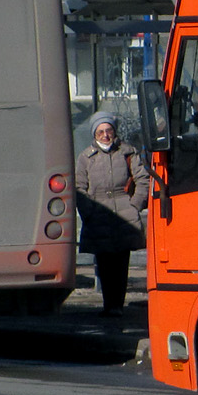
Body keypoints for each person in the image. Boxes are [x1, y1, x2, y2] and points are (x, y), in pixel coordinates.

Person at [74, 111, 149, 317]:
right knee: (105, 262)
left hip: (124, 214)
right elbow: (79, 188)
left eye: (108, 130)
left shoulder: (127, 152)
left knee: (121, 262)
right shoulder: (85, 158)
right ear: (94, 134)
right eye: (100, 132)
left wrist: (134, 204)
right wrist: (89, 212)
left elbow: (142, 179)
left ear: (114, 131)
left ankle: (118, 305)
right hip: (98, 214)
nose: (105, 135)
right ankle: (109, 305)